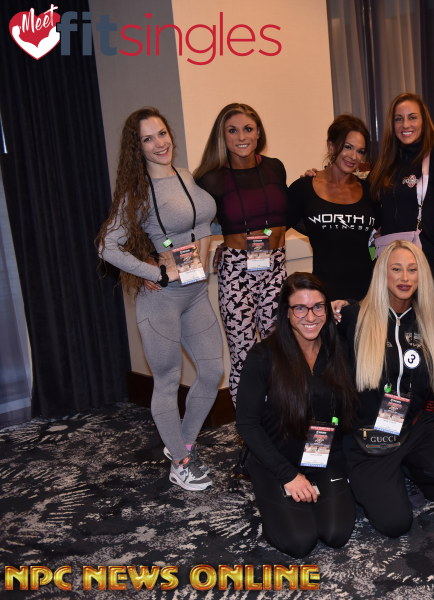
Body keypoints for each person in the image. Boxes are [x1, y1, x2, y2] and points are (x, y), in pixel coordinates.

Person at [97, 107, 223, 491]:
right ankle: (182, 462)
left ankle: (182, 444)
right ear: (137, 148)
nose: (159, 143)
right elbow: (107, 246)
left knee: (211, 372)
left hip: (196, 292)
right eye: (148, 138)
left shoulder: (185, 176)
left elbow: (202, 225)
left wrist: (207, 257)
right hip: (163, 300)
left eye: (162, 133)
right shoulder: (136, 193)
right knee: (168, 380)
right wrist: (154, 273)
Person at [339, 240, 434, 537]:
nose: (405, 278)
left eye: (412, 270)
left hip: (412, 427)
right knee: (395, 524)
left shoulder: (430, 324)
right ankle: (360, 474)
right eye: (396, 269)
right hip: (367, 435)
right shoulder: (354, 317)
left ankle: (402, 465)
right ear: (383, 274)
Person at [235, 272, 357, 557]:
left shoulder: (338, 349)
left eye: (318, 306)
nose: (310, 316)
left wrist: (349, 304)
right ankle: (274, 494)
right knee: (300, 541)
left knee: (335, 534)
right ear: (286, 312)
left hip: (322, 455)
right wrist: (289, 475)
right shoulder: (263, 356)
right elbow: (247, 424)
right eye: (300, 308)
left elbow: (372, 312)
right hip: (276, 460)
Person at [194, 103, 290, 404]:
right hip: (237, 272)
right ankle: (249, 425)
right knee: (244, 355)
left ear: (258, 132)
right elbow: (194, 223)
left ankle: (279, 420)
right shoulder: (211, 178)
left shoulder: (275, 167)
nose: (241, 137)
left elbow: (287, 212)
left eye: (248, 129)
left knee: (282, 353)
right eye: (232, 130)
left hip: (276, 268)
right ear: (222, 137)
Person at [367, 93, 434, 273]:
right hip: (389, 266)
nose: (405, 125)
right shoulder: (382, 166)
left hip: (427, 267)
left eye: (412, 117)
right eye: (398, 119)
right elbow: (368, 208)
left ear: (424, 122)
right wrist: (323, 176)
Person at [289, 114, 377, 300]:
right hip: (323, 297)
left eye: (360, 151)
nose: (354, 156)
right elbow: (275, 228)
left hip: (367, 296)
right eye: (347, 147)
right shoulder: (304, 188)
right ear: (331, 146)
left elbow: (383, 233)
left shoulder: (369, 191)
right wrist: (251, 240)